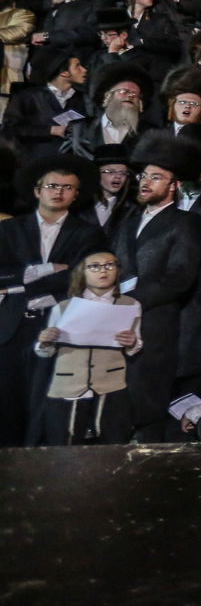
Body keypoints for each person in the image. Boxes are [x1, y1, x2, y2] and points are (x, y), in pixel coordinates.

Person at [0, 155, 109, 445]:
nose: (58, 191)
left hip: (58, 328)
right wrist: (49, 269)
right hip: (10, 328)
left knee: (45, 408)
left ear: (76, 195)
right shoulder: (8, 230)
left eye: (67, 187)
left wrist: (21, 283)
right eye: (52, 185)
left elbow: (82, 277)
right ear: (37, 190)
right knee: (7, 404)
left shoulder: (88, 233)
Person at [111, 132, 201, 441]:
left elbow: (179, 277)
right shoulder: (126, 219)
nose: (145, 182)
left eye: (156, 177)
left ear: (174, 186)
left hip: (155, 322)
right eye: (143, 176)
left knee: (147, 398)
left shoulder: (184, 222)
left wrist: (131, 299)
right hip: (115, 320)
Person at [33, 251, 141, 446]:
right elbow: (46, 351)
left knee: (113, 443)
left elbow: (135, 346)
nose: (103, 271)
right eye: (95, 266)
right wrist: (44, 341)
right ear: (82, 272)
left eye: (110, 265)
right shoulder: (64, 306)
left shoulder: (130, 304)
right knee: (64, 443)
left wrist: (132, 341)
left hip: (110, 383)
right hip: (68, 383)